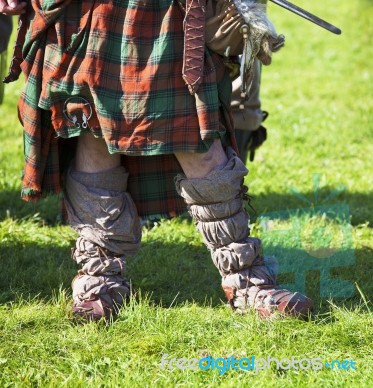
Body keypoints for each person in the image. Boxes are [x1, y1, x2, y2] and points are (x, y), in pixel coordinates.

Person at [1, 0, 312, 321]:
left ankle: (247, 281)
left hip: (168, 12)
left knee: (194, 133)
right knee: (95, 129)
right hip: (88, 10)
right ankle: (100, 278)